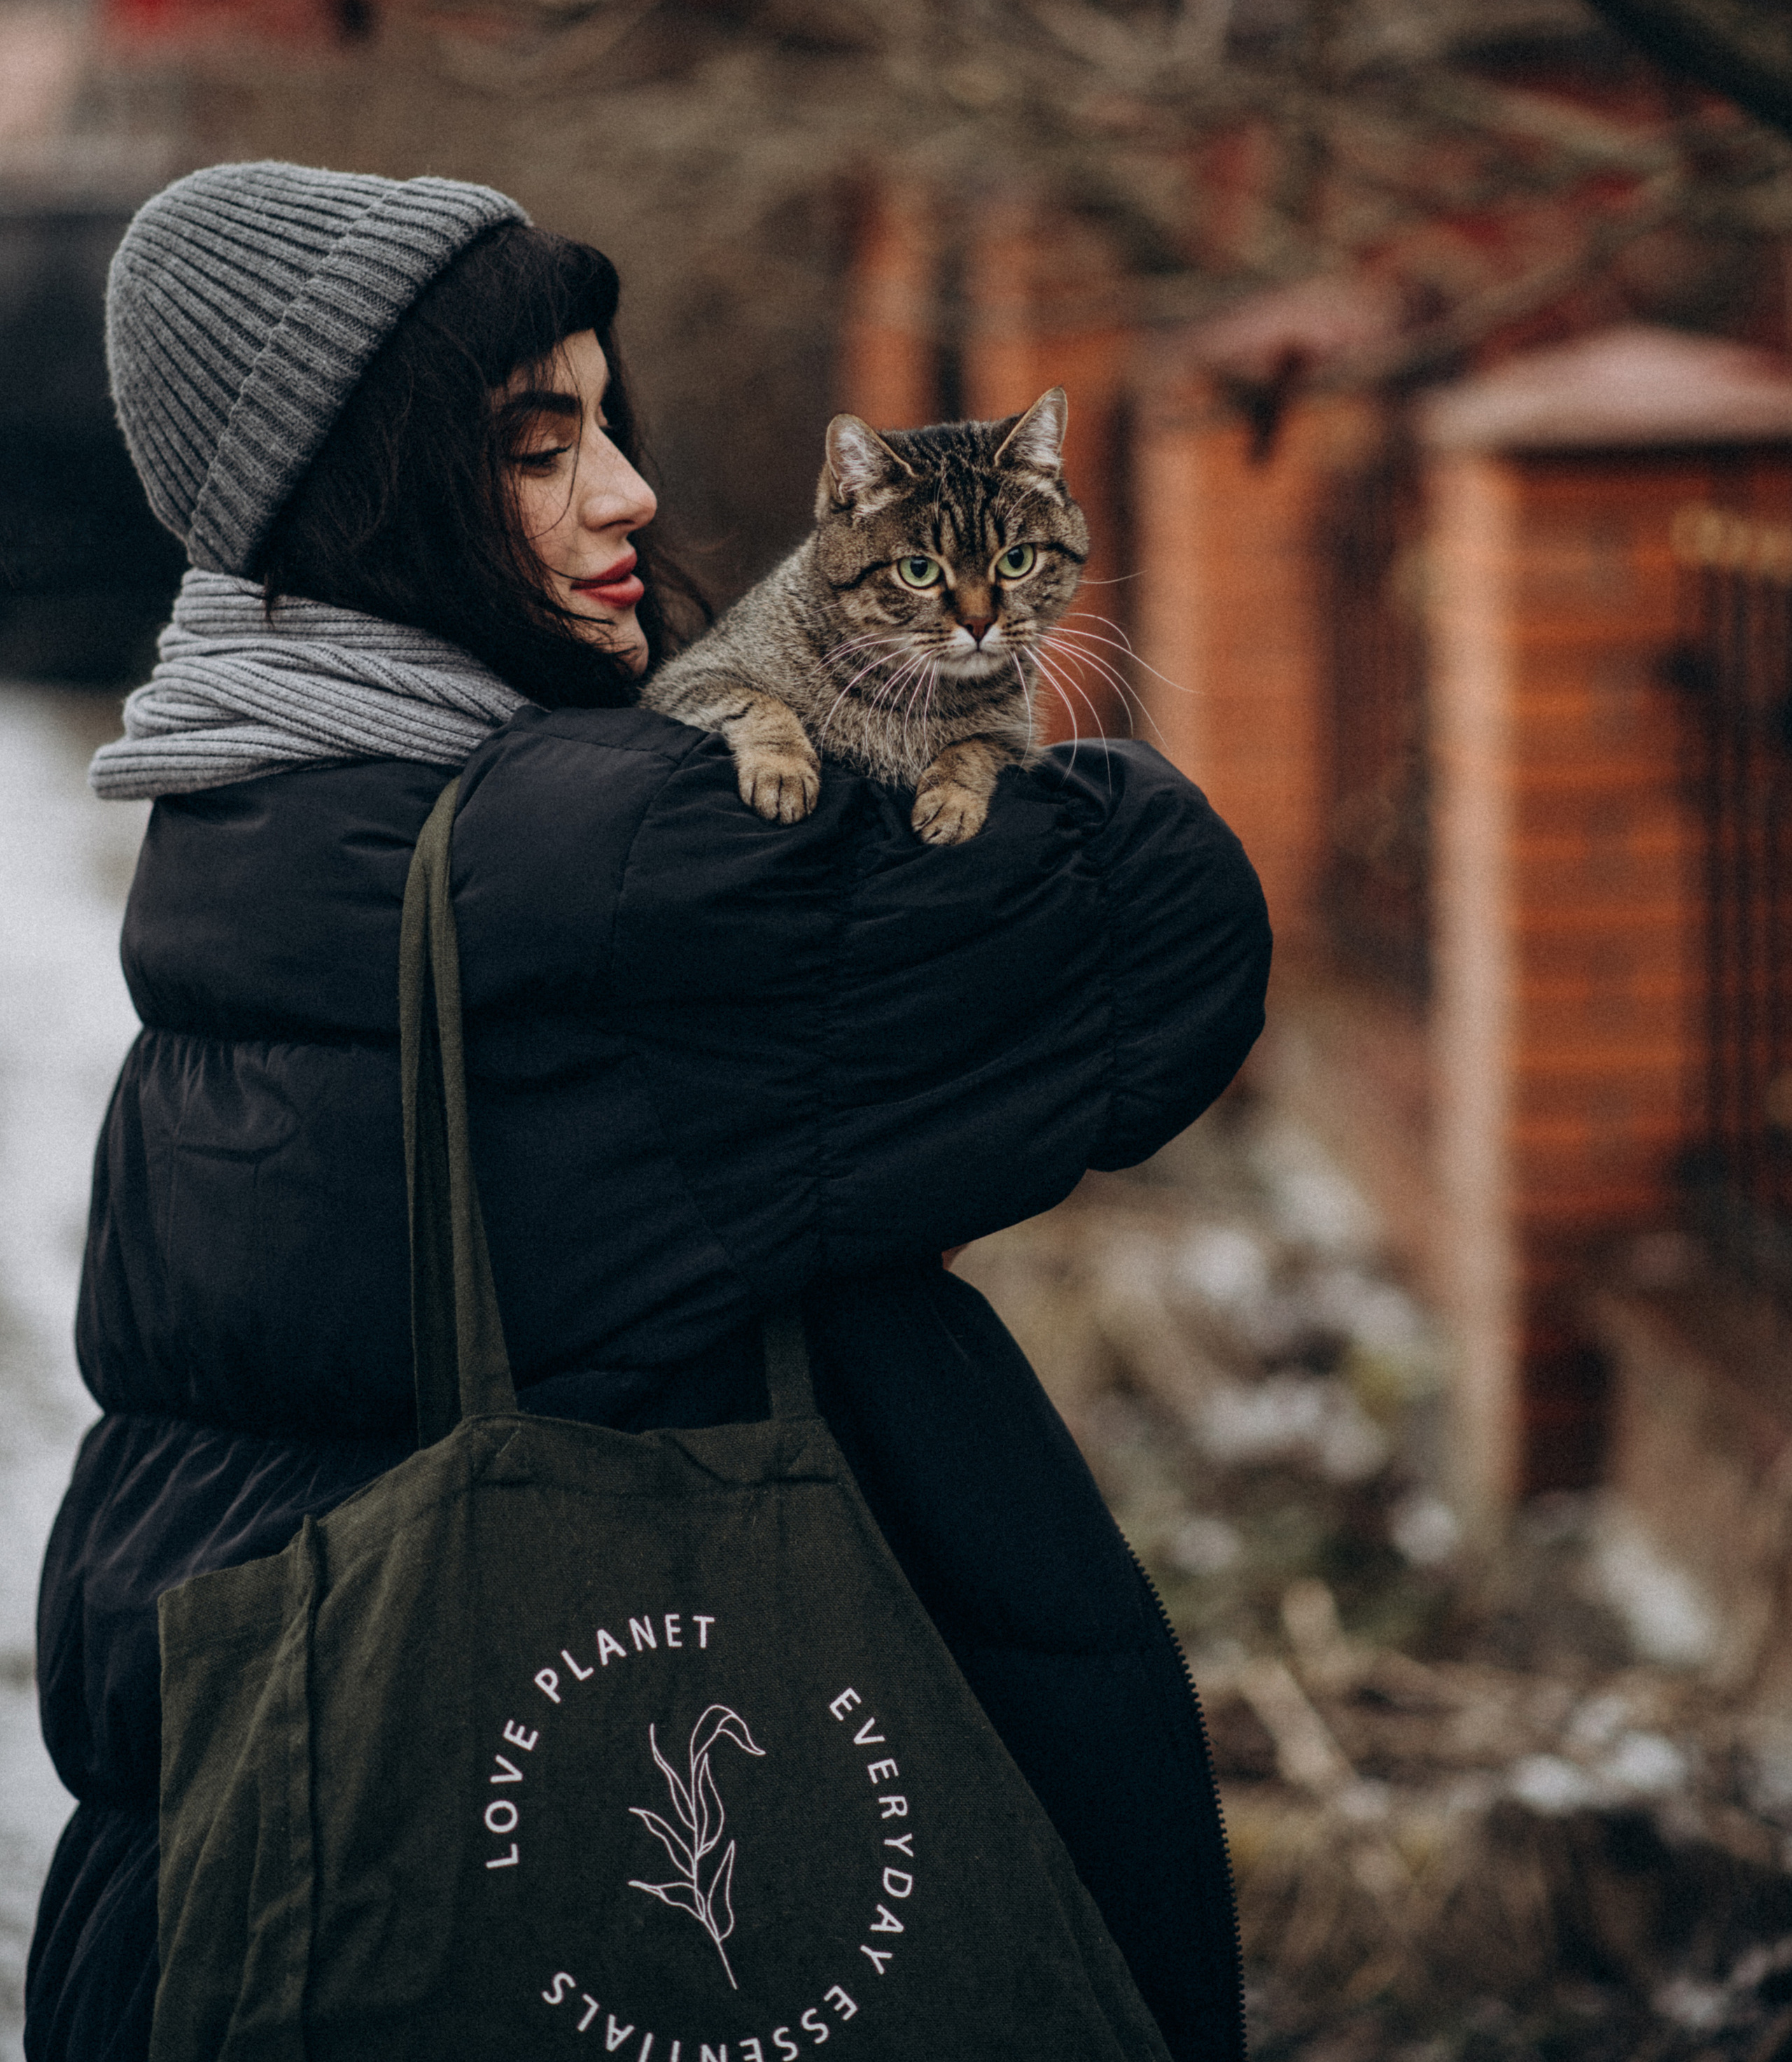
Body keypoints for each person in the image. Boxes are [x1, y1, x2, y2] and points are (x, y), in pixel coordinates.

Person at [26, 162, 1270, 2062]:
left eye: (610, 422)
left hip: (235, 1888)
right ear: (366, 504)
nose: (631, 495)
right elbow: (1153, 944)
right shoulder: (597, 856)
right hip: (579, 1902)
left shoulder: (246, 822)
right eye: (539, 445)